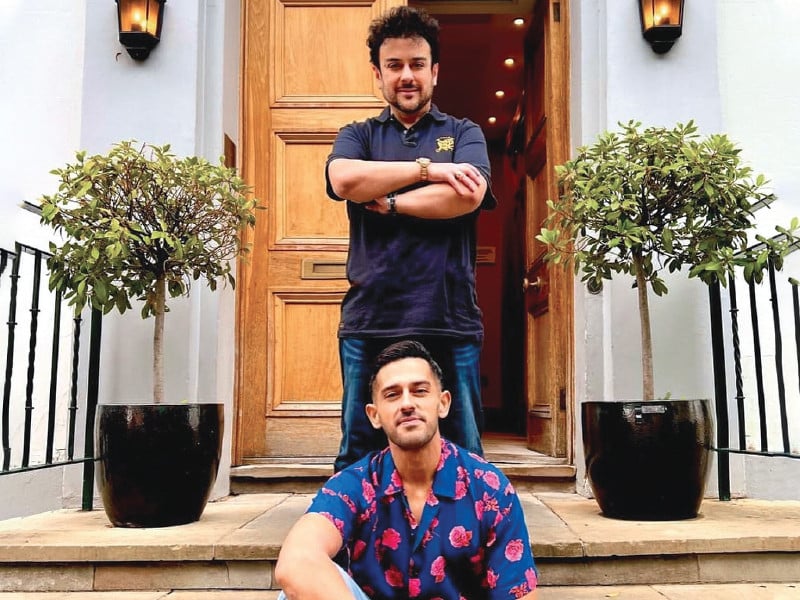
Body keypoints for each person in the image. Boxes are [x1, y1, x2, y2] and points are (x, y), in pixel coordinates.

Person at [326, 5, 496, 472]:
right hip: (370, 318)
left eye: (417, 65)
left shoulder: (464, 132)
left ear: (435, 72)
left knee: (464, 454)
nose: (407, 76)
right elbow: (345, 180)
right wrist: (430, 170)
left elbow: (468, 196)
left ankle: (467, 542)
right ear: (377, 74)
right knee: (358, 453)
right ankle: (358, 543)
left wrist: (394, 201)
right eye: (394, 65)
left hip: (449, 315)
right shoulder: (357, 135)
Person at [274, 340, 538, 600]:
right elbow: (296, 562)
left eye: (420, 391)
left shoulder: (488, 488)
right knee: (295, 593)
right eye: (392, 394)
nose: (407, 404)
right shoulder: (355, 484)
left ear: (443, 403)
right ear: (374, 415)